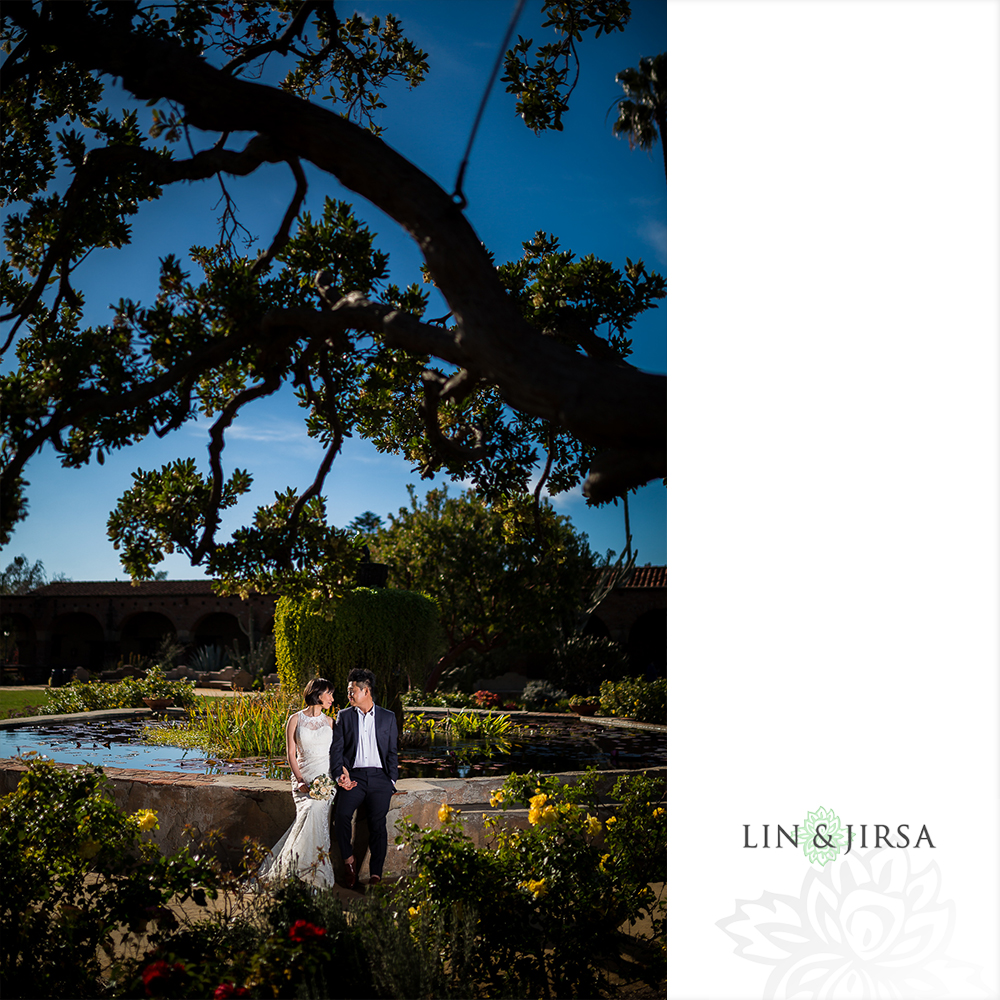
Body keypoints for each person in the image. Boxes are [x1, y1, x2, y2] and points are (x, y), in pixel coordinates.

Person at [259, 677, 336, 888]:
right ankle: (300, 870)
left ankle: (306, 870)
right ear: (317, 694)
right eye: (328, 693)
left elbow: (336, 755)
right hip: (303, 778)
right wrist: (300, 780)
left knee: (314, 809)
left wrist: (341, 776)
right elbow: (291, 754)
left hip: (325, 780)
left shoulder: (330, 722)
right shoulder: (295, 719)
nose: (331, 698)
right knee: (308, 809)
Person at [330, 667, 398, 889]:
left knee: (378, 825)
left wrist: (392, 780)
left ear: (366, 691)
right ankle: (349, 862)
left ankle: (376, 874)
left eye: (352, 691)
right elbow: (337, 751)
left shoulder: (388, 717)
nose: (349, 695)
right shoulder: (344, 716)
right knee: (341, 816)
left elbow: (392, 752)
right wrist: (340, 774)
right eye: (349, 691)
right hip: (354, 777)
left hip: (380, 779)